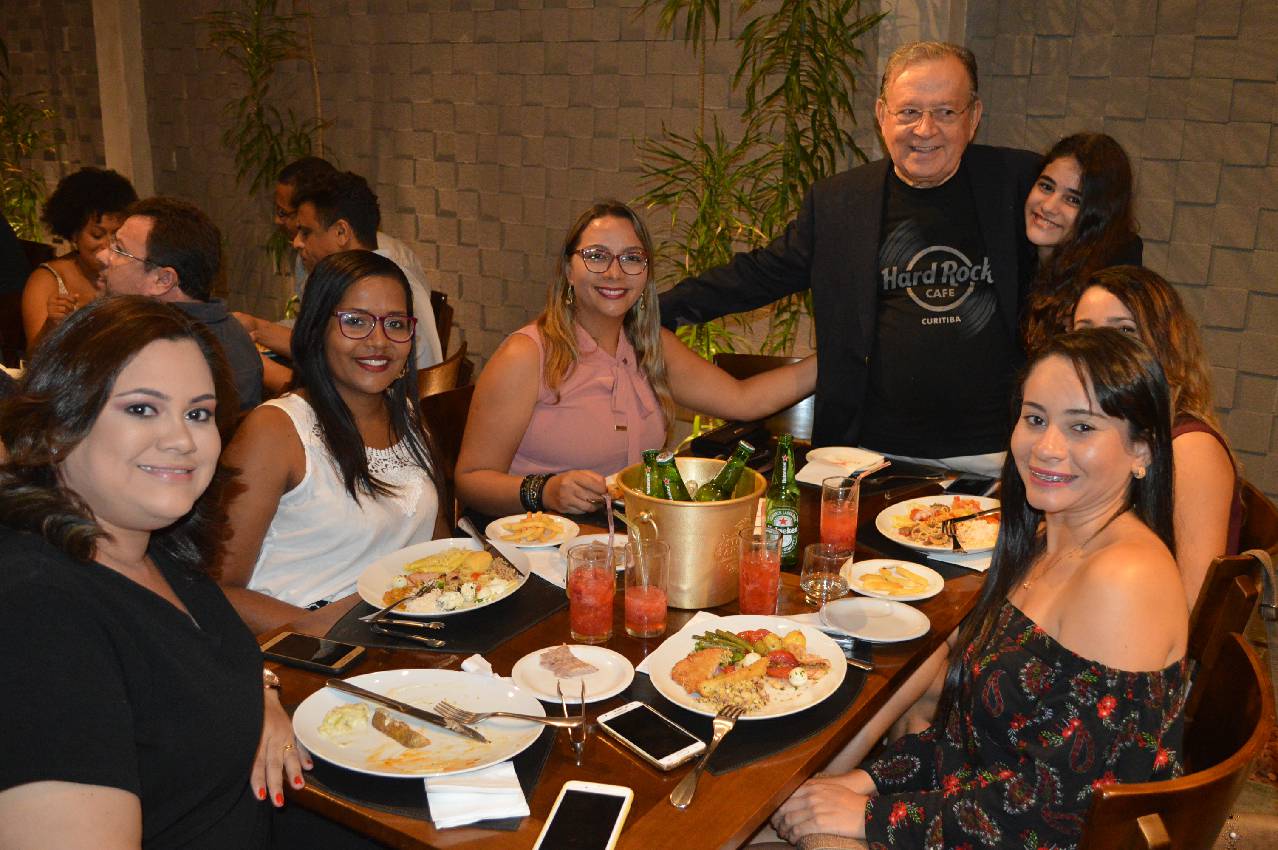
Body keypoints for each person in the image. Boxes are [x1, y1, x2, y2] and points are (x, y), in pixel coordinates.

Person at [770, 329, 1188, 849]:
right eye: (1035, 419)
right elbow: (971, 742)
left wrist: (870, 815)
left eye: (1082, 427)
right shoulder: (1043, 542)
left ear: (1142, 449)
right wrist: (866, 781)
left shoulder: (1125, 578)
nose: (1047, 447)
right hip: (976, 815)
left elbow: (1061, 815)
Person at [0, 296, 308, 848]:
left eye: (199, 413)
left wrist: (257, 691)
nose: (182, 440)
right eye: (142, 409)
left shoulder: (155, 548)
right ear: (58, 426)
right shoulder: (35, 613)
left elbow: (174, 672)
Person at [658, 41, 1041, 477]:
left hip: (999, 452)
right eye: (909, 112)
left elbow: (1089, 240)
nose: (925, 129)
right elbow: (760, 274)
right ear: (882, 115)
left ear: (973, 117)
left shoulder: (1019, 183)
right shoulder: (840, 202)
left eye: (946, 112)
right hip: (867, 454)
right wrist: (652, 310)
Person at [455, 200, 816, 517]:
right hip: (534, 546)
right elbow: (470, 482)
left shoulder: (649, 345)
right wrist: (546, 491)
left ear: (646, 274)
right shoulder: (527, 353)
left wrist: (835, 355)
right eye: (596, 256)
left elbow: (744, 400)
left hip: (617, 541)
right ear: (568, 270)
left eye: (631, 258)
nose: (614, 272)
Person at [218, 251, 443, 632]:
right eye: (355, 321)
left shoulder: (407, 417)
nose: (379, 341)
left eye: (395, 324)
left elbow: (439, 552)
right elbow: (221, 590)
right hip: (302, 645)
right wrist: (342, 634)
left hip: (401, 636)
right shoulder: (277, 430)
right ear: (316, 329)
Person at [1067, 265, 1240, 607]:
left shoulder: (1191, 448)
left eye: (1125, 330)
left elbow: (1192, 605)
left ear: (1164, 342)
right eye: (1085, 331)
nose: (1100, 347)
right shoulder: (1108, 427)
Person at [237, 170, 443, 394]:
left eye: (306, 232)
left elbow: (333, 393)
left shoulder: (377, 289)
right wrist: (257, 328)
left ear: (341, 232)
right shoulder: (370, 275)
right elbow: (316, 350)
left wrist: (252, 362)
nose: (296, 243)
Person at [96, 197, 264, 411]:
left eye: (118, 250)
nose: (102, 256)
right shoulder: (231, 329)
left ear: (163, 280)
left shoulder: (155, 347)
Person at [1020, 133, 1143, 349]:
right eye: (1046, 186)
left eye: (1072, 199)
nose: (1048, 206)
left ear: (1097, 216)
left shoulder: (1101, 293)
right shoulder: (1006, 250)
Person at [21, 167, 137, 348]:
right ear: (74, 234)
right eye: (97, 235)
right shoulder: (48, 280)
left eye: (116, 235)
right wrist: (51, 326)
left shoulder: (137, 270)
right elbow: (35, 357)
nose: (108, 246)